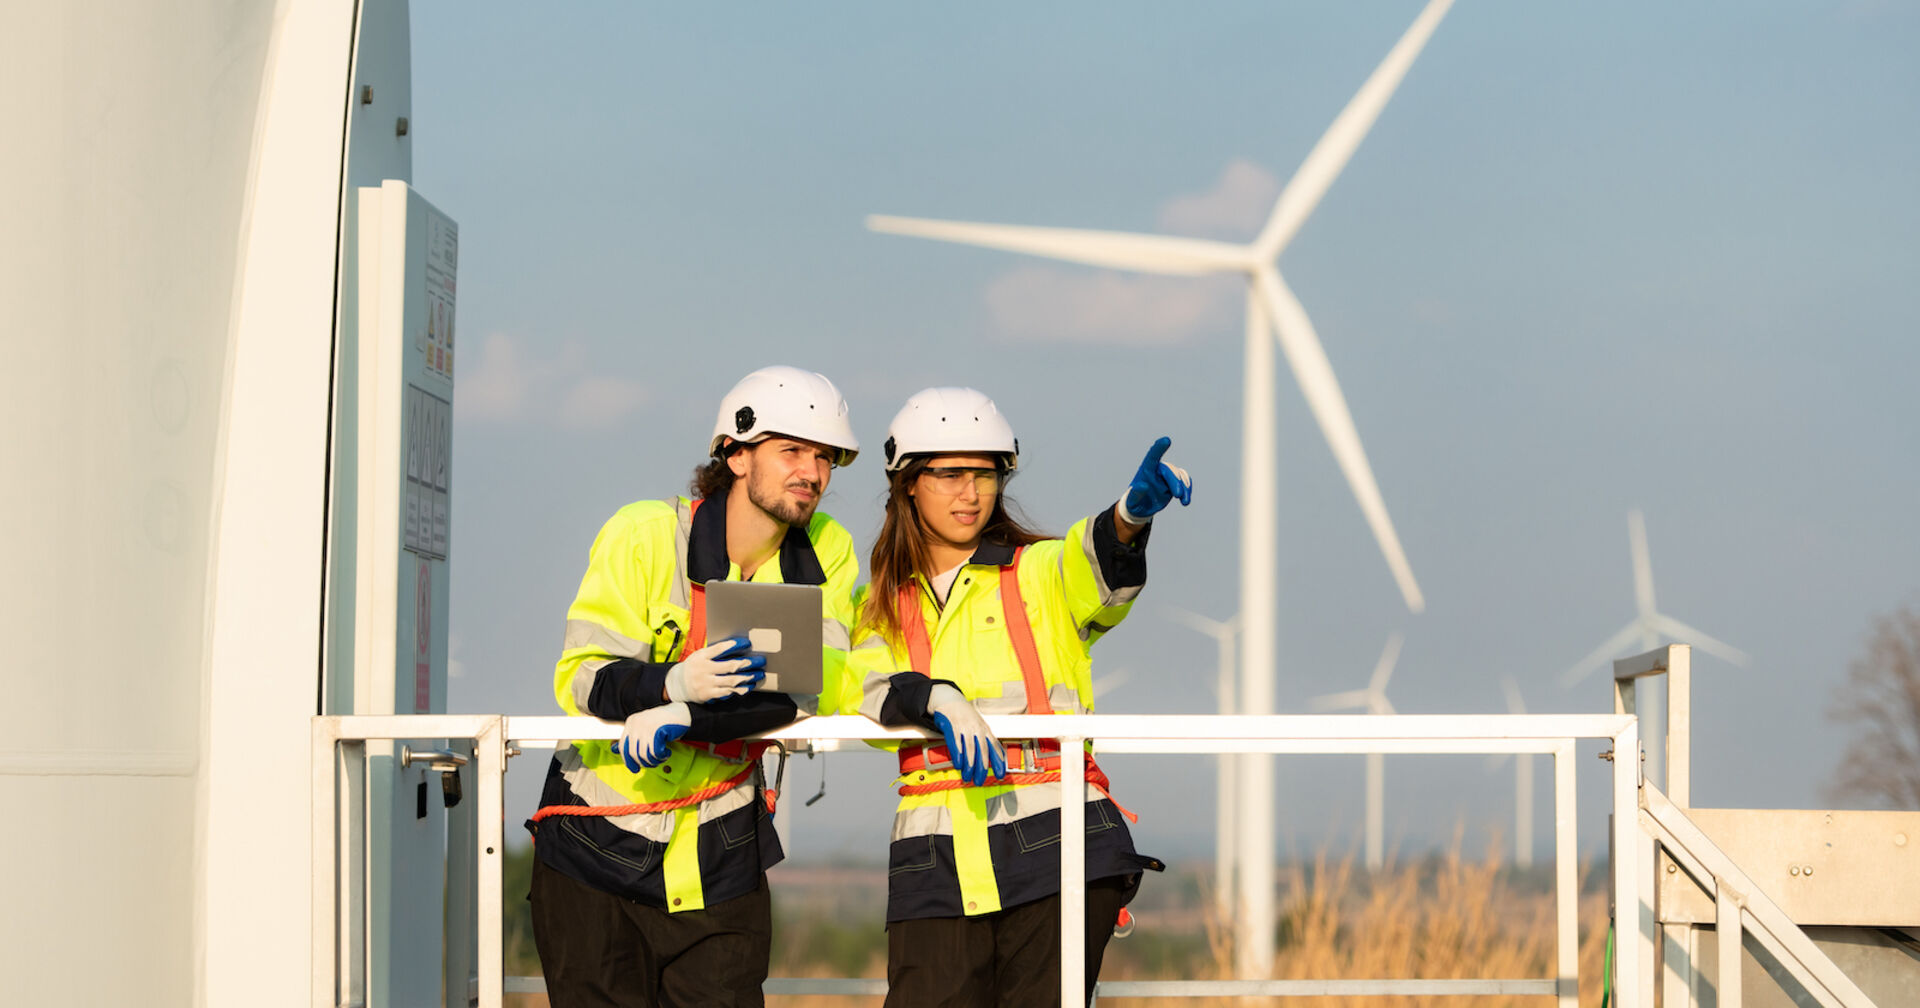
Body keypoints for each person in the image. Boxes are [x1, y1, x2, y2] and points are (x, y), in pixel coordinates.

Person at [525, 365, 866, 1007]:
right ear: (735, 455)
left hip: (721, 857)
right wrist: (668, 682)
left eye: (825, 457)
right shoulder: (645, 534)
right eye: (791, 450)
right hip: (593, 854)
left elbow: (808, 690)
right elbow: (581, 677)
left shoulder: (829, 552)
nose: (812, 473)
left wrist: (683, 715)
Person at [849, 387, 1193, 1007]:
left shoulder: (1037, 570)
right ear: (905, 484)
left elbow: (1097, 569)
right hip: (935, 854)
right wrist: (935, 698)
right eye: (950, 473)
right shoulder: (877, 605)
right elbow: (861, 688)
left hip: (1058, 836)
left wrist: (1129, 519)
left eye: (985, 473)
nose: (971, 491)